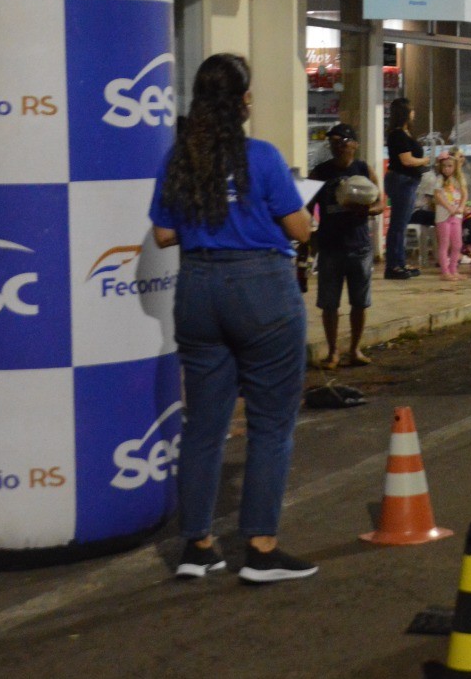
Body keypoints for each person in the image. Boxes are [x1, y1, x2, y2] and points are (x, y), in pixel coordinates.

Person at [149, 53, 318, 584]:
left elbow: (162, 234)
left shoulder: (180, 159)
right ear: (242, 101)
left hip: (197, 288)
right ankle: (261, 550)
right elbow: (299, 229)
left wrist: (210, 217)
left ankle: (197, 546)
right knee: (270, 424)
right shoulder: (261, 158)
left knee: (203, 424)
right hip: (260, 288)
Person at [307, 123, 385, 369]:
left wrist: (366, 209)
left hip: (359, 245)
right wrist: (308, 240)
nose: (338, 147)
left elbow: (381, 204)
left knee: (359, 302)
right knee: (329, 304)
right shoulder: (319, 172)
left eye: (342, 142)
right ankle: (332, 352)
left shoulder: (363, 169)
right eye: (333, 143)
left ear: (354, 144)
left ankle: (354, 349)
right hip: (330, 246)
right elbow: (306, 208)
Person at [383, 98, 428, 279]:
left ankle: (400, 262)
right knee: (398, 225)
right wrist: (425, 161)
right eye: (411, 110)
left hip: (407, 181)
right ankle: (393, 265)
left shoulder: (405, 133)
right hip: (402, 181)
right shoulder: (398, 135)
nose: (414, 113)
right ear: (405, 113)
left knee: (401, 224)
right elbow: (406, 160)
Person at [431, 152, 468, 280]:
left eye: (450, 166)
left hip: (456, 216)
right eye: (444, 166)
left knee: (457, 243)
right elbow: (437, 195)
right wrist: (449, 207)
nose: (447, 169)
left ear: (455, 166)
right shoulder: (440, 179)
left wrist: (461, 207)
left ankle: (453, 269)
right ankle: (445, 271)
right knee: (444, 244)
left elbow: (464, 194)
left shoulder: (458, 179)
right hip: (443, 216)